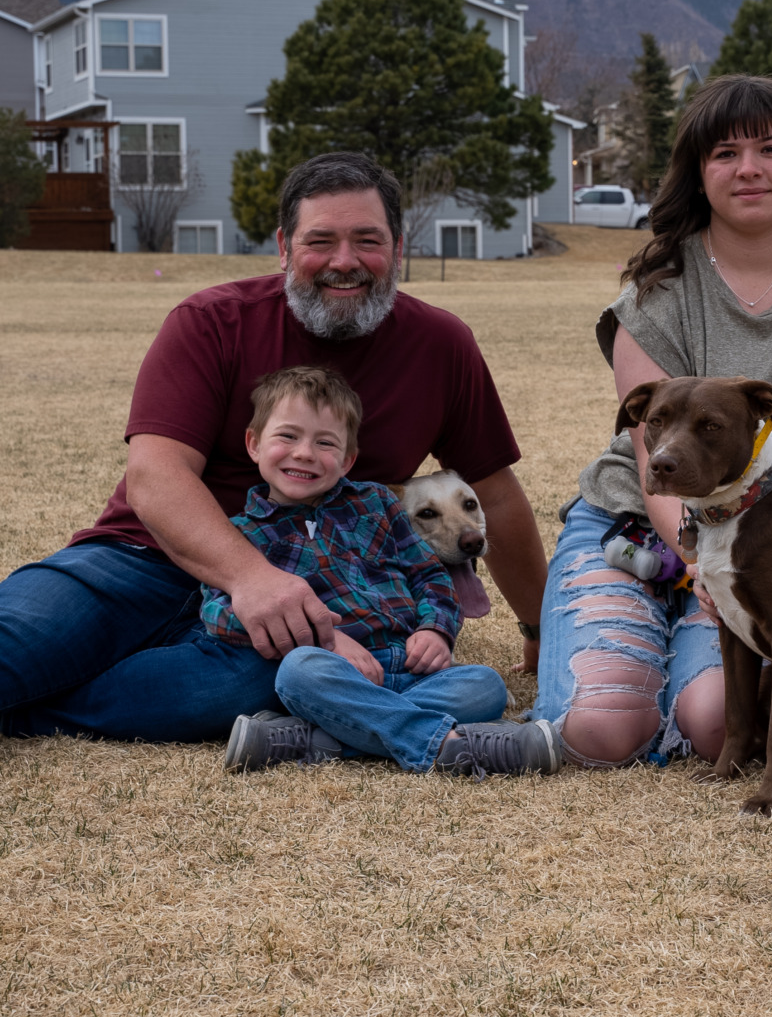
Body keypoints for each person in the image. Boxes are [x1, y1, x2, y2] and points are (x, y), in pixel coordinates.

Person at [0, 152, 548, 743]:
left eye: (368, 240)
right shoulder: (211, 321)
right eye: (321, 242)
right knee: (21, 643)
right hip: (143, 559)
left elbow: (494, 490)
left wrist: (542, 628)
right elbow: (155, 475)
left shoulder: (441, 345)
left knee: (265, 682)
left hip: (319, 590)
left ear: (397, 245)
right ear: (285, 247)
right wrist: (250, 578)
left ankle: (40, 715)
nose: (345, 262)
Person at [534, 74, 772, 768]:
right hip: (639, 520)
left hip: (763, 534)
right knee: (604, 727)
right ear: (698, 173)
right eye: (725, 153)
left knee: (710, 724)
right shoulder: (654, 291)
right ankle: (618, 676)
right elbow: (650, 457)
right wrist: (700, 563)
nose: (749, 169)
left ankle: (675, 687)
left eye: (770, 148)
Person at [209, 366, 559, 776]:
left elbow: (431, 576)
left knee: (485, 685)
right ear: (253, 444)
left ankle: (316, 740)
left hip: (409, 670)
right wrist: (325, 640)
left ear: (347, 460)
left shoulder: (376, 504)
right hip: (333, 670)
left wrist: (436, 630)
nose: (304, 453)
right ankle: (447, 746)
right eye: (287, 436)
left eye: (325, 443)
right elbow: (218, 614)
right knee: (297, 672)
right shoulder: (240, 534)